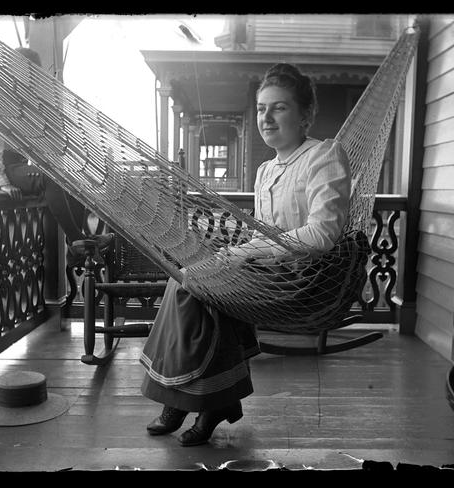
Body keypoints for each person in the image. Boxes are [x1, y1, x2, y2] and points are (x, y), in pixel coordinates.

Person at [140, 63, 351, 446]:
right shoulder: (266, 170)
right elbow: (262, 229)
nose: (266, 118)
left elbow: (323, 233)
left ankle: (190, 399)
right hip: (268, 268)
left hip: (305, 277)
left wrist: (242, 255)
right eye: (260, 108)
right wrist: (228, 247)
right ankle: (210, 402)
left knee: (196, 286)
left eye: (279, 108)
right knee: (188, 276)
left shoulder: (324, 156)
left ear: (306, 115)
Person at [0, 47, 113, 266]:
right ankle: (78, 241)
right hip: (3, 168)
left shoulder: (28, 100)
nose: (32, 77)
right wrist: (2, 183)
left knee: (70, 181)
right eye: (28, 71)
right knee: (50, 179)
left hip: (21, 166)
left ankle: (75, 247)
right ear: (15, 69)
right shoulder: (2, 96)